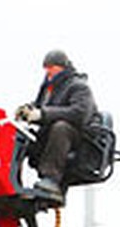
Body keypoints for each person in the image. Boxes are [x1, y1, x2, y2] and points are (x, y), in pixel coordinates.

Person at [15, 48, 99, 205]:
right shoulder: (47, 90)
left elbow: (79, 113)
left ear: (62, 67)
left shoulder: (78, 86)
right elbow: (40, 106)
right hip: (52, 135)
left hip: (79, 137)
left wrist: (43, 114)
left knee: (60, 128)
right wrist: (29, 111)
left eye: (51, 68)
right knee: (21, 137)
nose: (48, 72)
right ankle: (13, 182)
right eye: (46, 68)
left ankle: (51, 179)